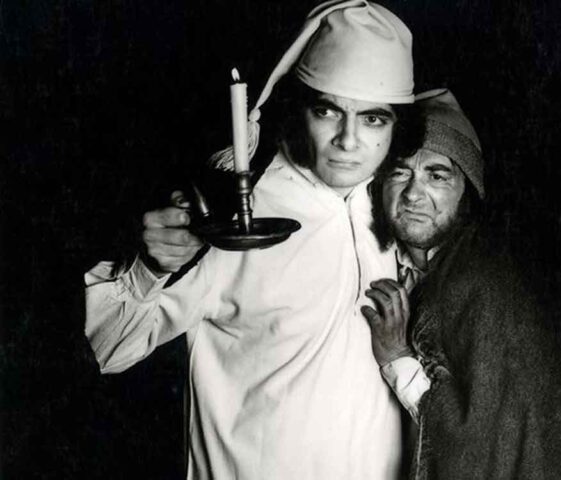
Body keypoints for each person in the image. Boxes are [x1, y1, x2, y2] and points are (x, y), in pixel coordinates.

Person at [84, 2, 422, 479]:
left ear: (396, 126)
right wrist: (149, 267)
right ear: (301, 109)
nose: (348, 140)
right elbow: (108, 350)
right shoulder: (237, 215)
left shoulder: (394, 207)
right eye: (328, 111)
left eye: (373, 119)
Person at [363, 89, 561, 479]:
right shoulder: (414, 266)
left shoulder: (481, 285)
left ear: (466, 191)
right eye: (400, 172)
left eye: (437, 176)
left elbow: (478, 448)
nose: (413, 193)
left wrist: (397, 358)